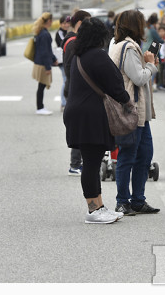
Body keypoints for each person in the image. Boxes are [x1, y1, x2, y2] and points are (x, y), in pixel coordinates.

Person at [63, 18, 129, 224]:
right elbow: (116, 82)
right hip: (90, 115)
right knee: (91, 163)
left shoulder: (78, 56)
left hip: (78, 113)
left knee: (91, 161)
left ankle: (99, 205)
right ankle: (93, 210)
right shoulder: (98, 56)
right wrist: (127, 102)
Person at [110, 9, 161, 216]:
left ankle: (138, 200)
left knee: (144, 155)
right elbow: (139, 78)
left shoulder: (120, 45)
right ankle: (123, 200)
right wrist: (151, 64)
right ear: (135, 25)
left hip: (140, 114)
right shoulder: (129, 48)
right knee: (129, 156)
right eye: (141, 23)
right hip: (132, 111)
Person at [63, 9, 92, 176]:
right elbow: (69, 69)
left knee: (80, 127)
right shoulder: (73, 42)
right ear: (80, 23)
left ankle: (77, 163)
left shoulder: (72, 40)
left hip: (74, 90)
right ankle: (75, 164)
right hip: (75, 90)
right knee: (79, 127)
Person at [32, 12, 58, 116]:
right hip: (42, 64)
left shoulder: (41, 32)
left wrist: (54, 58)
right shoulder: (45, 34)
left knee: (41, 86)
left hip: (39, 62)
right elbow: (45, 52)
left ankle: (40, 106)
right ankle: (40, 107)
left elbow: (47, 50)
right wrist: (48, 67)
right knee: (41, 86)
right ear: (49, 21)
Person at [55, 15, 71, 111]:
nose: (66, 25)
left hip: (67, 59)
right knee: (65, 81)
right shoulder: (59, 33)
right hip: (62, 60)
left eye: (67, 23)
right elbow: (63, 43)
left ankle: (66, 102)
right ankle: (63, 103)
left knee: (67, 80)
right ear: (60, 24)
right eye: (64, 23)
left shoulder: (67, 32)